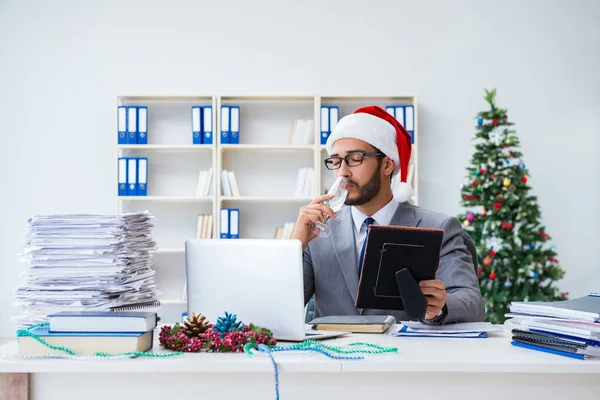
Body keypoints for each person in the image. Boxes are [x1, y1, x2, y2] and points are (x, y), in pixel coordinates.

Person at [292, 105, 485, 324]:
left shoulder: (440, 226)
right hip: (334, 355)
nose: (342, 172)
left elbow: (472, 303)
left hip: (402, 355)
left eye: (355, 158)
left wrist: (440, 308)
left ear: (386, 164)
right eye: (336, 161)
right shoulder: (318, 232)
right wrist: (295, 246)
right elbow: (282, 306)